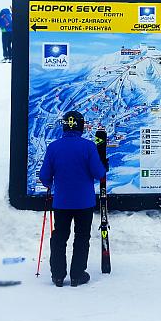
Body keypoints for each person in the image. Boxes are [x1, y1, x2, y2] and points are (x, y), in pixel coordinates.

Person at [39, 110, 106, 287]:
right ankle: (77, 275)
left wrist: (50, 184)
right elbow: (99, 173)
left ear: (64, 126)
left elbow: (45, 176)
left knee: (60, 237)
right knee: (82, 237)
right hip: (84, 202)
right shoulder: (89, 146)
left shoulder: (53, 147)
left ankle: (58, 276)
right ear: (81, 125)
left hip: (61, 202)